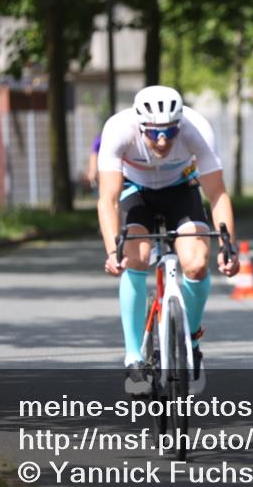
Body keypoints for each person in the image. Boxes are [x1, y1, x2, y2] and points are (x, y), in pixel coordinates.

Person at [97, 85, 239, 387]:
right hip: (134, 192)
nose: (162, 141)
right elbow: (107, 199)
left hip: (180, 190)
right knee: (137, 257)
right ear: (140, 126)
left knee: (196, 263)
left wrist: (228, 247)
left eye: (170, 132)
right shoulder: (119, 129)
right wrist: (112, 252)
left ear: (179, 124)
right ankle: (133, 357)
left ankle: (192, 340)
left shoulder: (197, 128)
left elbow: (217, 194)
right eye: (153, 133)